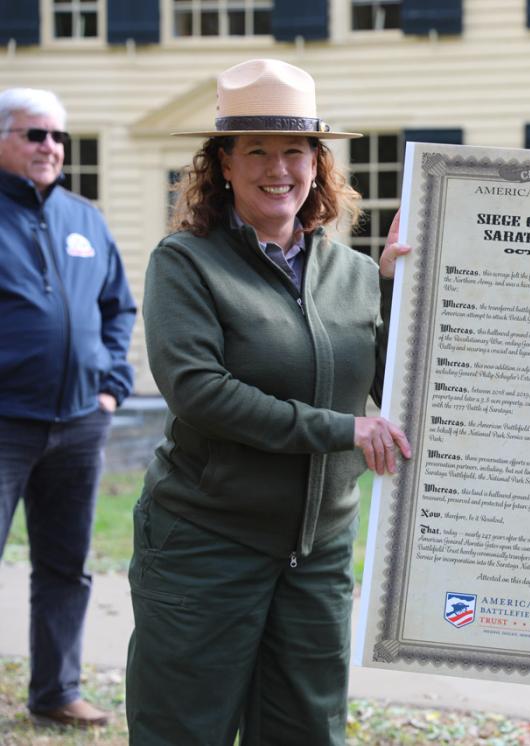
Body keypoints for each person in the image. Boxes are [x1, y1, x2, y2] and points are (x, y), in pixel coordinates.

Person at [125, 59, 412, 744]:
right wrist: (340, 429)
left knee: (307, 731)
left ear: (318, 163)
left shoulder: (351, 273)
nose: (276, 168)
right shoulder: (185, 262)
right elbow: (200, 392)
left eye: (294, 150)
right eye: (255, 149)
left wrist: (402, 287)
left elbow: (395, 386)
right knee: (185, 730)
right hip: (205, 544)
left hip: (317, 553)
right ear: (223, 162)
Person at [0, 88, 135, 728]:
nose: (50, 147)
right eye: (35, 134)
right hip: (5, 423)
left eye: (58, 137)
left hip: (80, 423)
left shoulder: (86, 219)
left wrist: (110, 388)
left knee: (67, 567)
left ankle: (57, 692)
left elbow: (117, 308)